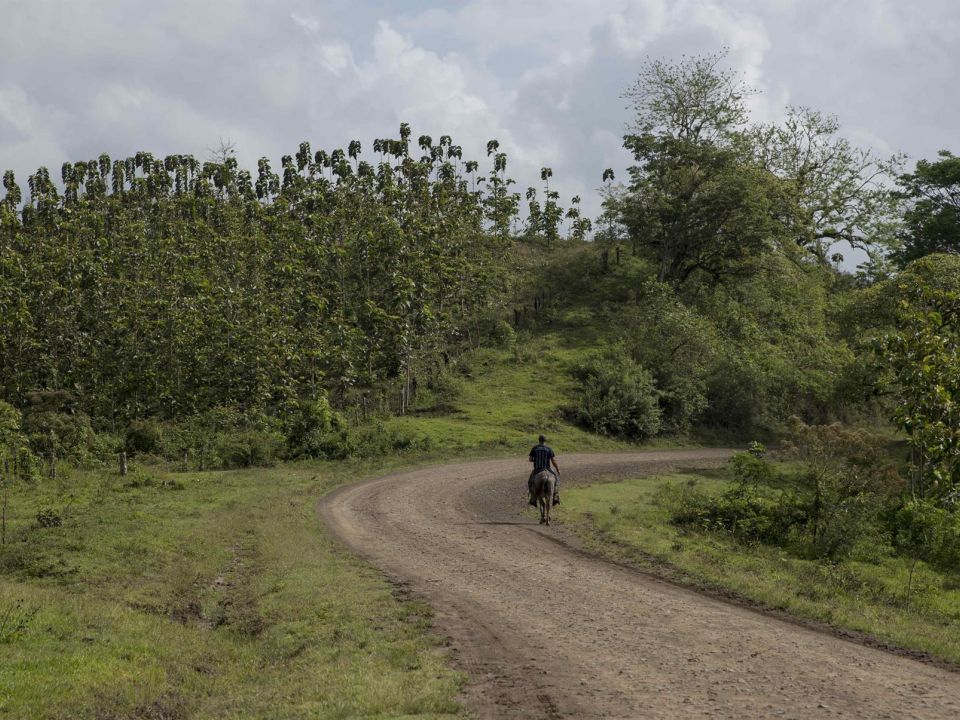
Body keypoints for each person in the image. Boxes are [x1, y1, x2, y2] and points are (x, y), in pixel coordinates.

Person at [528, 434, 560, 507]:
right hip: (547, 469)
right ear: (545, 440)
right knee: (557, 480)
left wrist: (535, 459)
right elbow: (553, 461)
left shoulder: (535, 448)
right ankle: (555, 497)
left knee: (530, 481)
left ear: (538, 440)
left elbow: (530, 459)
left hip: (537, 469)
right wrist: (558, 469)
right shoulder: (549, 448)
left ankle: (533, 498)